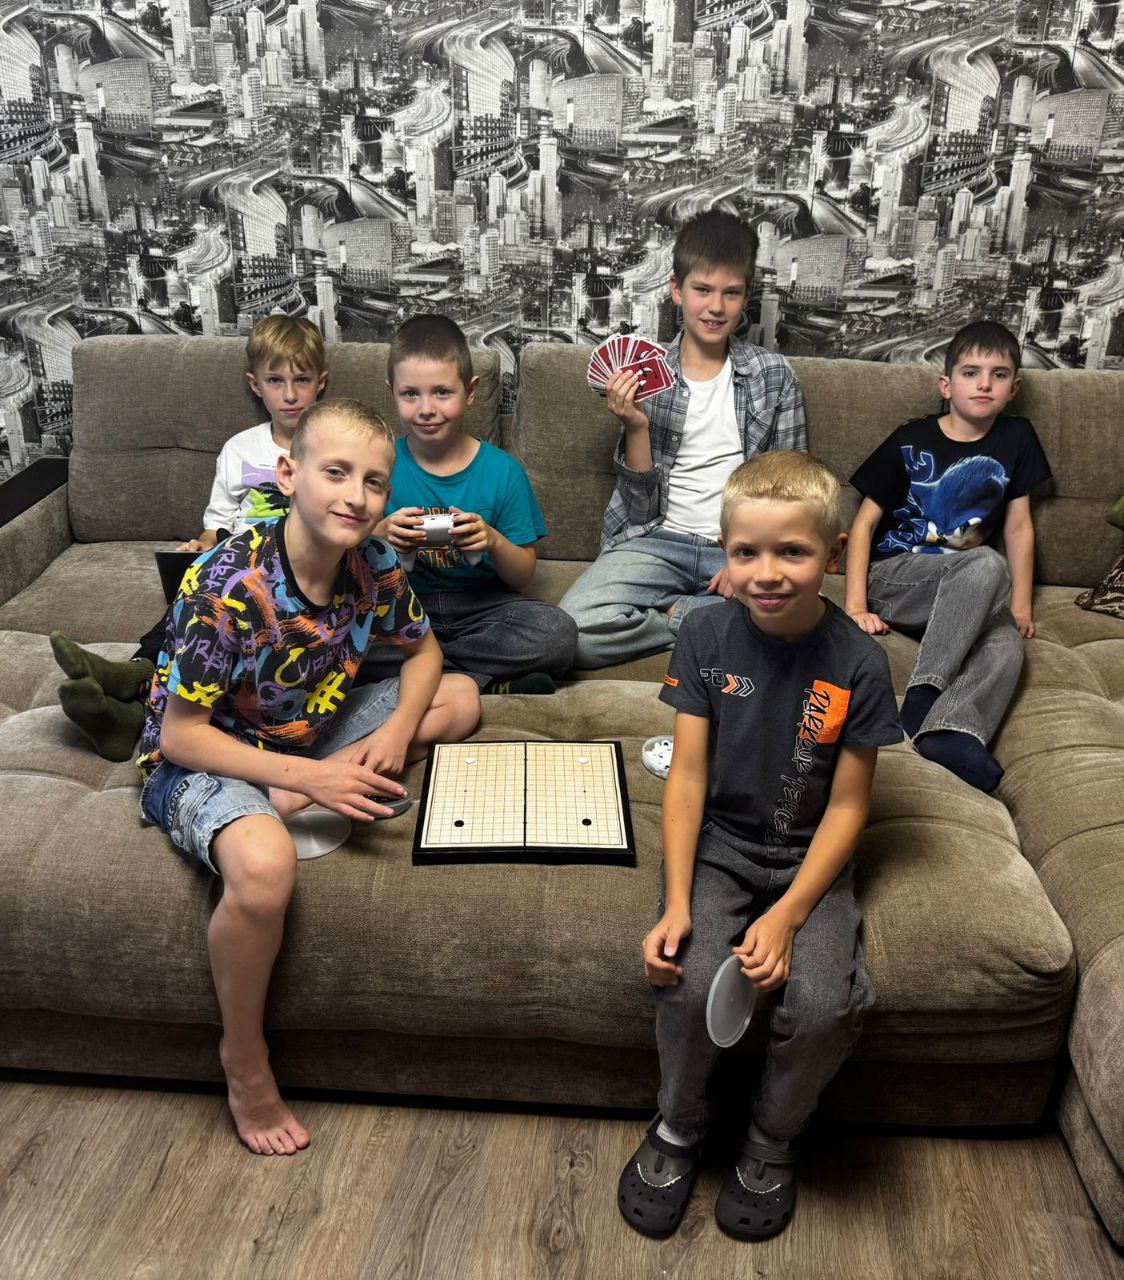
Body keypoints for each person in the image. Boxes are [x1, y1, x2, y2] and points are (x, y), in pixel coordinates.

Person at [135, 398, 480, 1155]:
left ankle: (299, 786)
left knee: (459, 698)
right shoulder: (226, 582)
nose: (356, 496)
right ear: (290, 475)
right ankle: (244, 1060)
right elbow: (182, 735)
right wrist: (311, 779)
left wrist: (394, 733)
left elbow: (425, 655)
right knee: (264, 868)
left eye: (375, 482)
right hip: (204, 754)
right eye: (337, 473)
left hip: (307, 733)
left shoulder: (374, 562)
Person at [617, 452, 901, 1241]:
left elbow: (849, 806)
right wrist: (677, 903)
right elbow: (686, 779)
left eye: (793, 552)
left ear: (834, 554)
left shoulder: (860, 662)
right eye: (746, 552)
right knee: (685, 976)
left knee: (823, 1004)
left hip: (811, 860)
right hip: (722, 847)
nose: (767, 573)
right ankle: (678, 1124)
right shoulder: (704, 632)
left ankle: (772, 1139)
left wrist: (787, 916)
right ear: (724, 551)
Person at [51, 315, 330, 760]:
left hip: (293, 576)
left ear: (321, 383)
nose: (290, 394)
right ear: (256, 385)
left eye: (302, 380)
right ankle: (133, 691)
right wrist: (201, 547)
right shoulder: (240, 448)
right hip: (238, 569)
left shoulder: (330, 446)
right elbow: (215, 526)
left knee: (218, 609)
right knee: (194, 596)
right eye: (276, 381)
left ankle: (133, 688)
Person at [559, 209, 807, 668]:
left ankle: (685, 615)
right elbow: (640, 512)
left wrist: (749, 557)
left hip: (734, 546)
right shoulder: (645, 374)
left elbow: (792, 490)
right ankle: (694, 618)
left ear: (747, 296)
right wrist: (635, 425)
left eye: (731, 293)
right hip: (657, 540)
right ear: (676, 290)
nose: (716, 307)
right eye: (702, 290)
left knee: (799, 622)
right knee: (572, 632)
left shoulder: (774, 377)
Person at [845, 320, 1052, 792]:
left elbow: (1019, 527)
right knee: (987, 562)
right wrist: (856, 605)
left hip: (966, 590)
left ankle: (951, 732)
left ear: (1015, 388)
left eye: (999, 375)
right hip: (896, 578)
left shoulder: (1017, 438)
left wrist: (1021, 606)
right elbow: (863, 525)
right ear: (946, 385)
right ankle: (924, 693)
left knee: (1006, 642)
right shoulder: (910, 439)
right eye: (970, 373)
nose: (984, 384)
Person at [363, 314, 577, 694]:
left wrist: (492, 541)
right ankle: (485, 680)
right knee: (341, 641)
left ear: (471, 391)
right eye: (410, 394)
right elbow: (348, 562)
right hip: (403, 605)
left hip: (483, 609)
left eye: (442, 392)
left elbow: (523, 574)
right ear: (391, 391)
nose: (426, 408)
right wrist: (380, 535)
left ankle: (431, 670)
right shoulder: (375, 465)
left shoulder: (504, 471)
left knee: (557, 634)